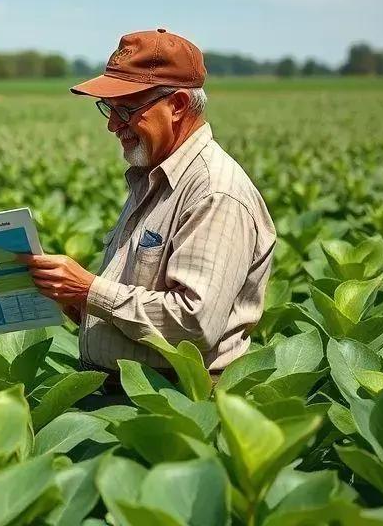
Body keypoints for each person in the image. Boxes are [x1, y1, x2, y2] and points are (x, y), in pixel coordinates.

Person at [21, 28, 276, 397]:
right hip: (129, 393)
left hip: (175, 403)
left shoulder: (214, 193)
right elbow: (137, 299)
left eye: (126, 109)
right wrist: (74, 300)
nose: (112, 124)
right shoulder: (154, 176)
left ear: (176, 105)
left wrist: (89, 288)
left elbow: (193, 323)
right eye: (109, 109)